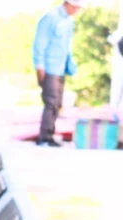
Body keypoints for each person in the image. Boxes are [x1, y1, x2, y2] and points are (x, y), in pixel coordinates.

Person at [33, 1, 83, 146]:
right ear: (68, 4)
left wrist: (70, 66)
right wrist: (39, 66)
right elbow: (39, 43)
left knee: (57, 104)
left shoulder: (69, 21)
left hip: (60, 68)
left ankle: (49, 135)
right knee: (51, 103)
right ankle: (44, 138)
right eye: (76, 7)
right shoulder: (50, 17)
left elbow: (67, 47)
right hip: (49, 68)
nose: (77, 11)